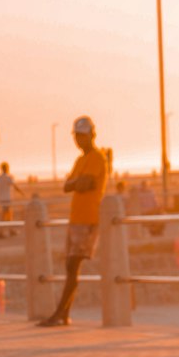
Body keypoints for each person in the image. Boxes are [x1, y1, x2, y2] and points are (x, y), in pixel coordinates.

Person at [38, 115, 107, 326]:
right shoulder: (80, 160)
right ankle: (64, 314)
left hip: (88, 219)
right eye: (76, 136)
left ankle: (60, 312)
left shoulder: (97, 157)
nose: (79, 140)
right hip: (76, 218)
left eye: (82, 136)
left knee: (73, 265)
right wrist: (78, 182)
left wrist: (77, 182)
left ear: (91, 135)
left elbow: (87, 183)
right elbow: (68, 185)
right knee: (70, 266)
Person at [0, 160, 24, 237]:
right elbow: (14, 186)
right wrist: (21, 193)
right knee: (4, 216)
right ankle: (0, 232)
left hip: (1, 199)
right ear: (6, 168)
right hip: (7, 199)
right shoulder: (9, 177)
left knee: (9, 216)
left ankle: (11, 230)